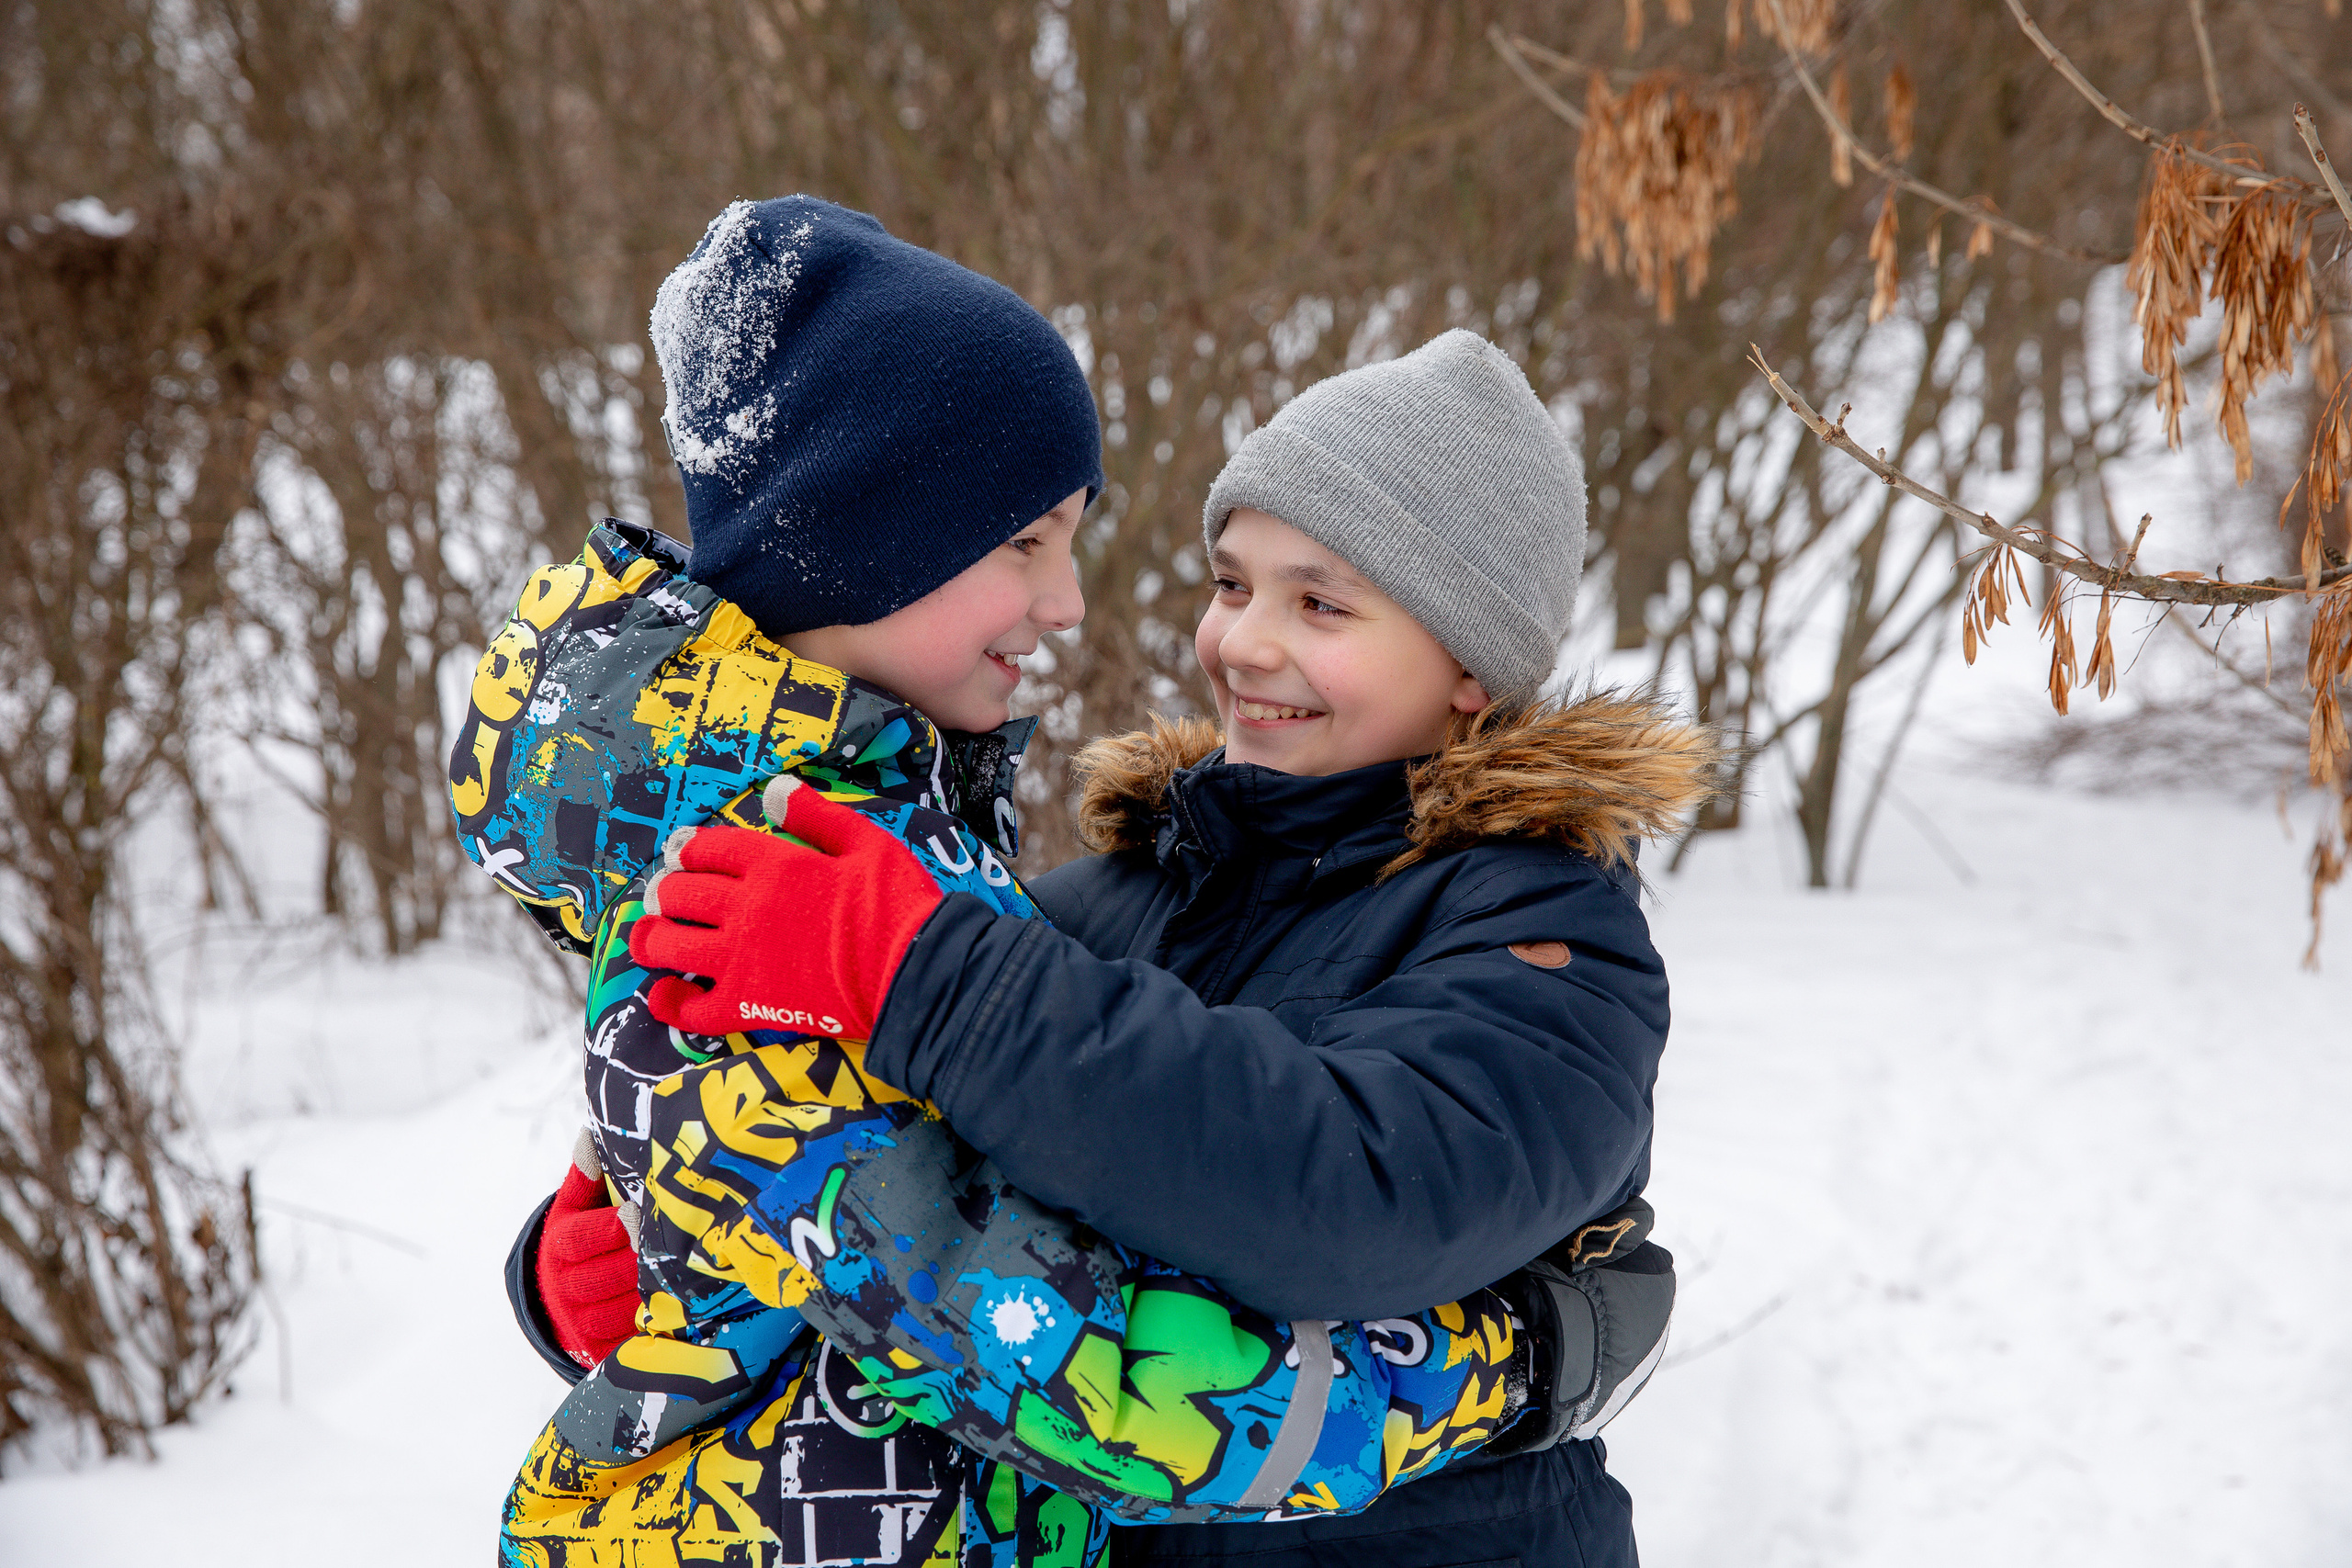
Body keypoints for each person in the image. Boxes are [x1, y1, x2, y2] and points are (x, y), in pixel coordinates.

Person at [455, 199, 1567, 1568]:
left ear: (1471, 661)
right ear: (872, 537)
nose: (1071, 606)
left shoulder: (872, 852)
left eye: (1322, 601)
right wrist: (1518, 1364)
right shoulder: (784, 878)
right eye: (1025, 544)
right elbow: (1106, 1387)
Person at [619, 327, 1719, 1566]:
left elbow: (1351, 1200)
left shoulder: (1547, 939)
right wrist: (649, 1232)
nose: (1243, 643)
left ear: (1470, 663)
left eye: (1322, 603)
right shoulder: (1110, 900)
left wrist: (929, 980)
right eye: (1232, 583)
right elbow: (922, 1228)